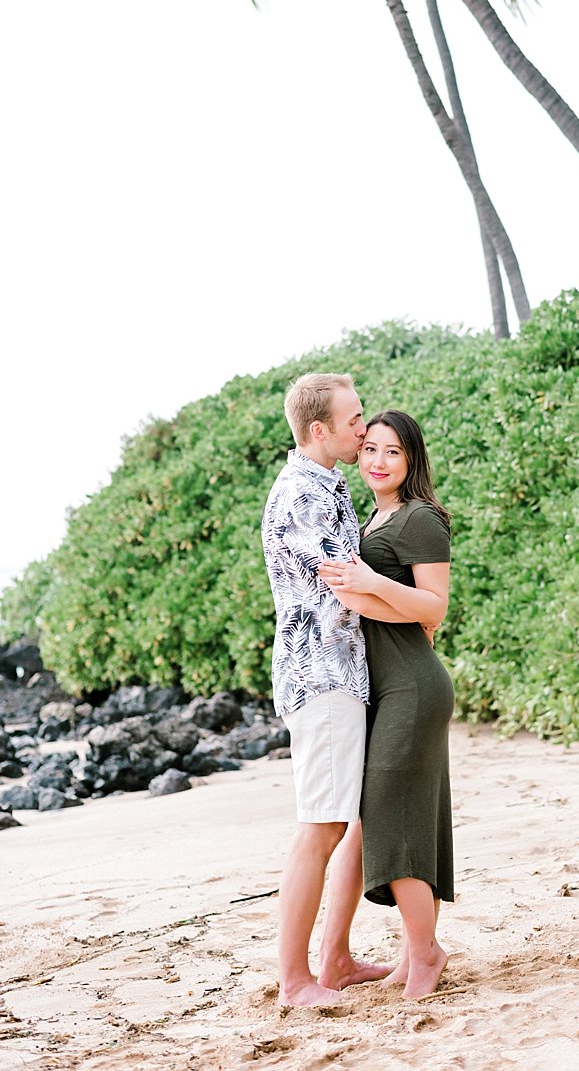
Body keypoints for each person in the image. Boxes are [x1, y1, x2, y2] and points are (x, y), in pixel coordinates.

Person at [260, 371, 391, 1006]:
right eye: (352, 421)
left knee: (353, 820)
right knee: (321, 825)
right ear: (320, 430)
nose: (363, 430)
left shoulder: (324, 486)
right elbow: (344, 582)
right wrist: (420, 605)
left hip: (340, 670)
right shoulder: (304, 494)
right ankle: (294, 980)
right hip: (323, 674)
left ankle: (334, 958)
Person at [320, 408, 455, 1002]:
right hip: (384, 687)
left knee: (394, 822)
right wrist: (367, 598)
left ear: (411, 459)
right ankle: (408, 952)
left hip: (412, 689)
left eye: (392, 452)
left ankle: (426, 954)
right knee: (394, 820)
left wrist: (369, 586)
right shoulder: (373, 515)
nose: (377, 461)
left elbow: (434, 609)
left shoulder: (421, 519)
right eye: (370, 448)